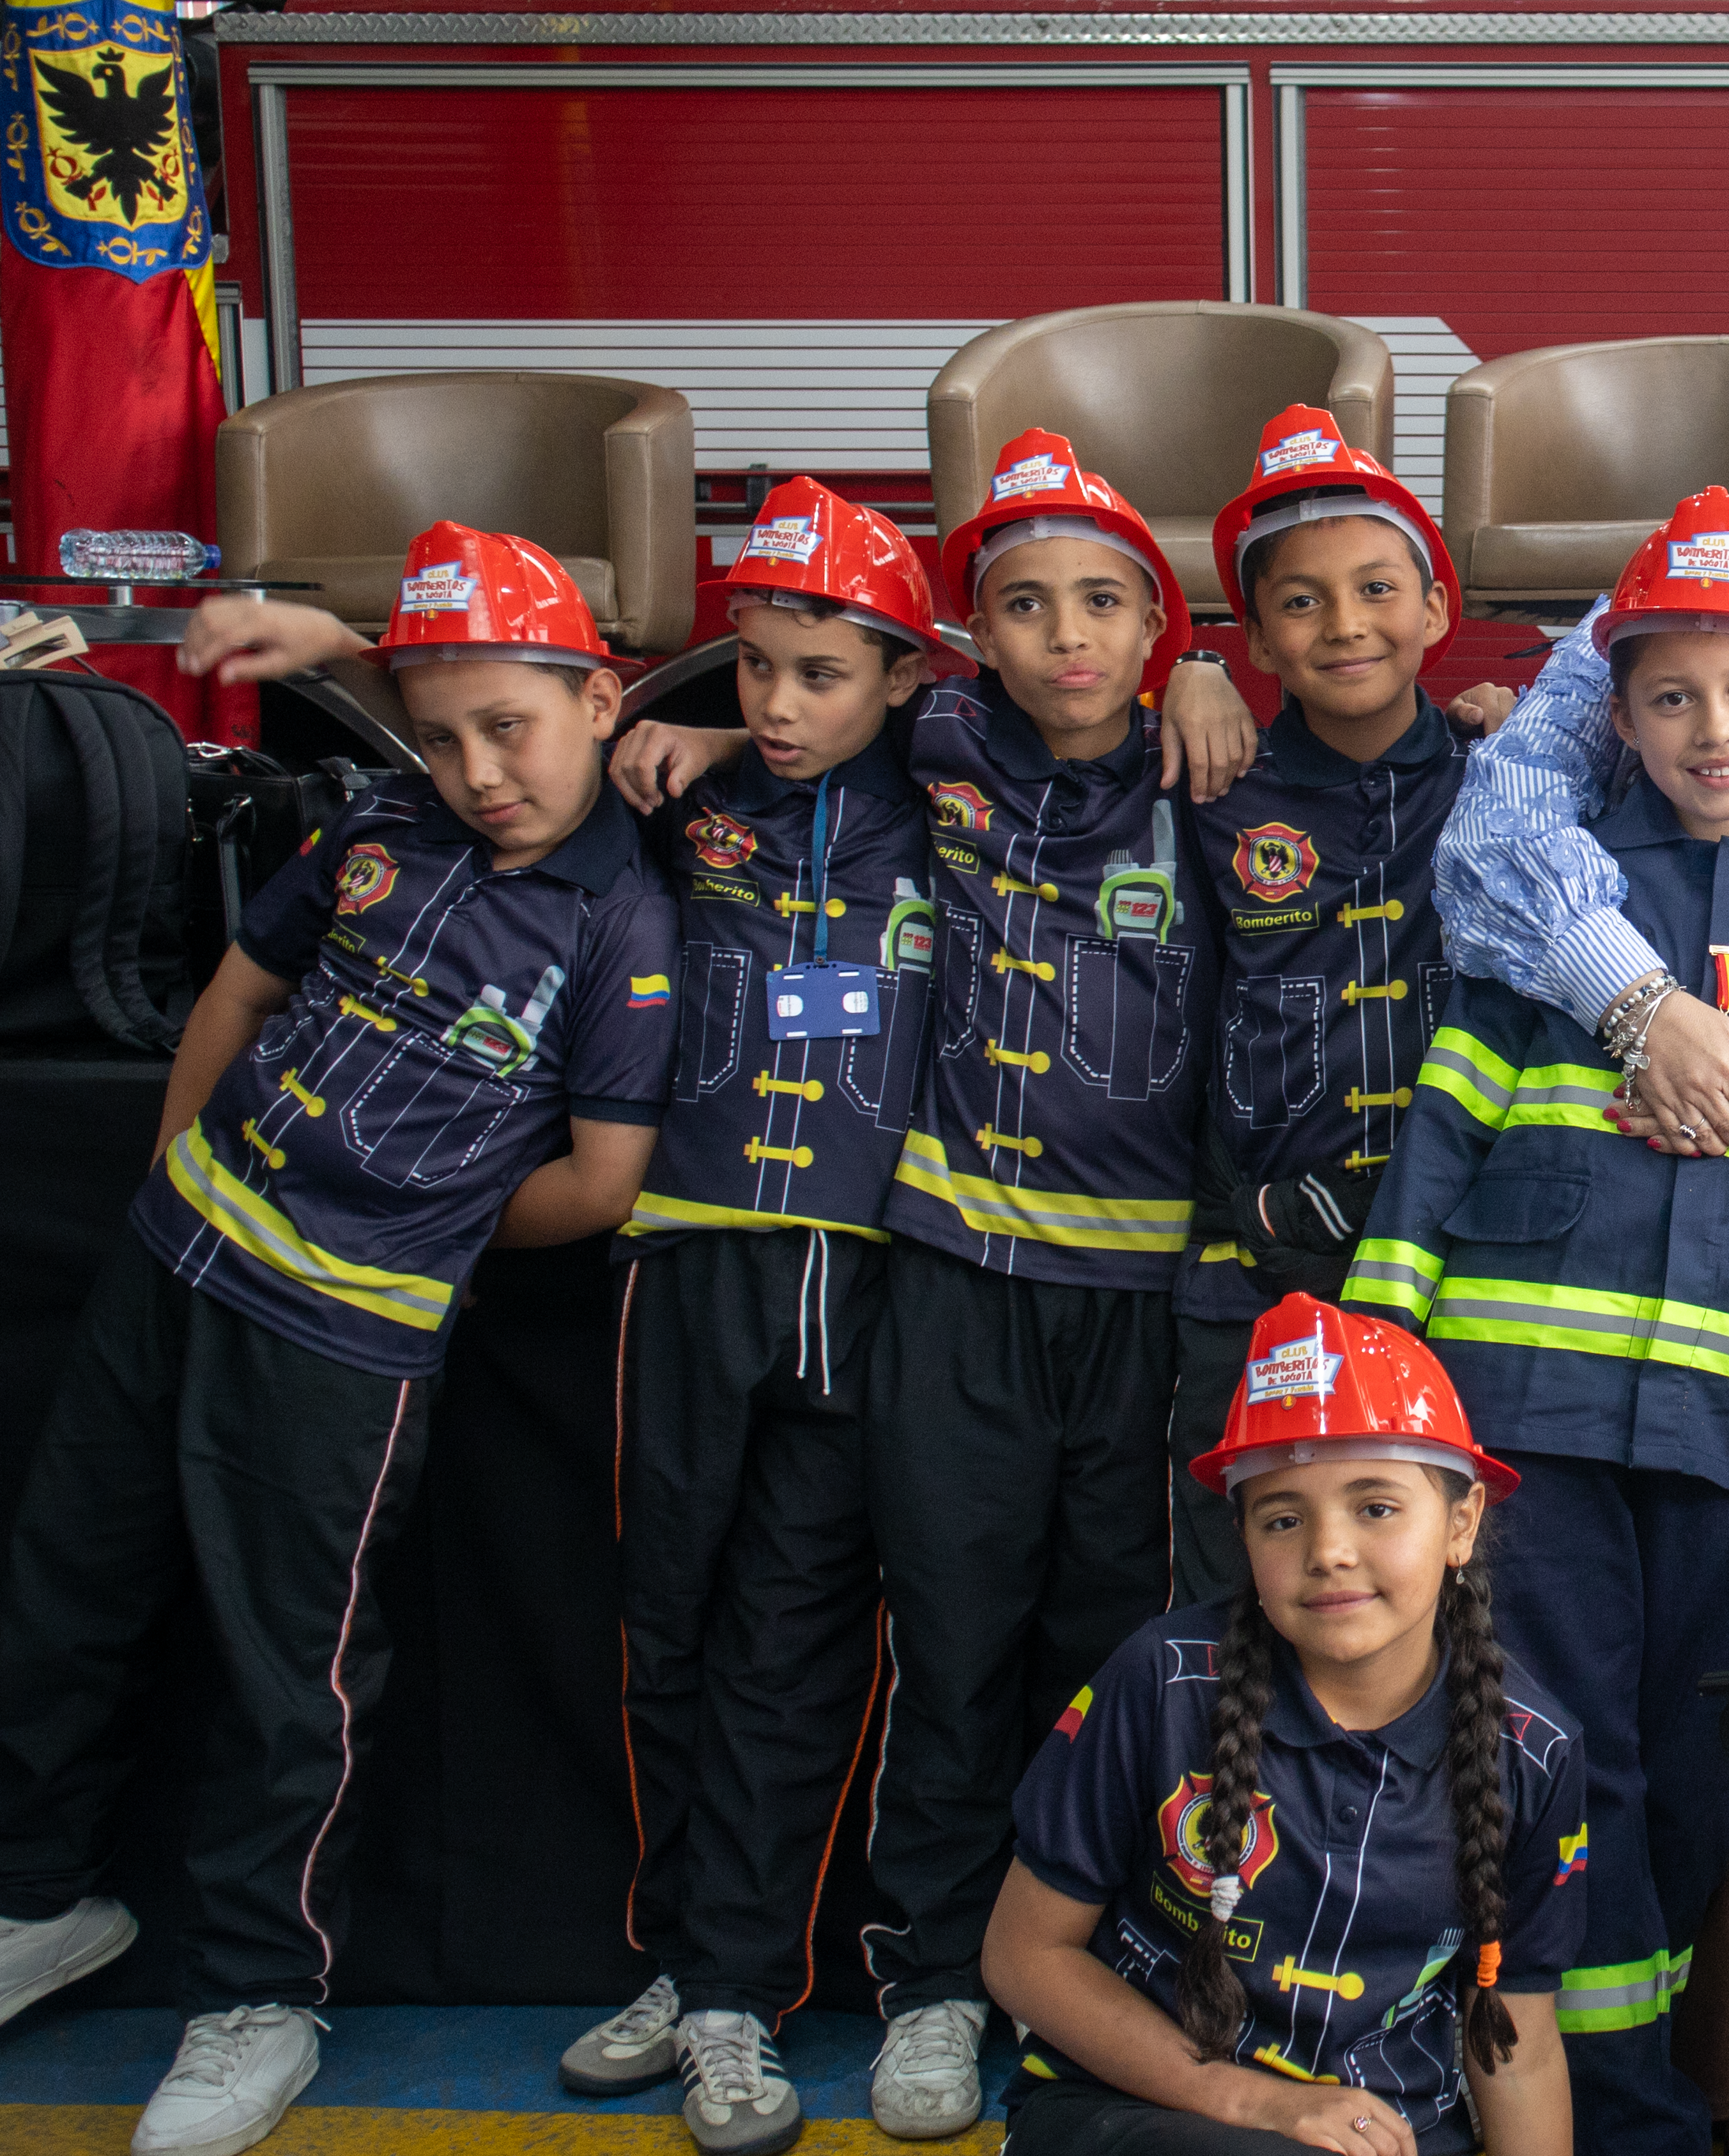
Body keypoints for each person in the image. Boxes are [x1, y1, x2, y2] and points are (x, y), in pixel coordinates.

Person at [0, 526, 677, 2156]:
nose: (477, 768)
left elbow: (598, 1180)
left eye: (509, 725)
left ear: (599, 697)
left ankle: (257, 1997)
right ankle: (35, 1895)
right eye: (441, 734)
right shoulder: (383, 828)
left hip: (347, 1327)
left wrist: (429, 1219)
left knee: (287, 1671)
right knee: (66, 1578)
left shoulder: (627, 924)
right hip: (182, 1254)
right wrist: (180, 1162)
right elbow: (238, 984)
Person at [614, 426, 1214, 2136]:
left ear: (1162, 632)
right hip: (950, 1282)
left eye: (1107, 603)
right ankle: (935, 1977)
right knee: (947, 1647)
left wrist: (1227, 685)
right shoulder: (942, 742)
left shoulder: (1207, 777)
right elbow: (816, 701)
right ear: (975, 641)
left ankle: (1107, 1971)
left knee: (1107, 1664)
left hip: (1140, 1310)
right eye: (1025, 606)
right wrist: (716, 722)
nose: (1070, 637)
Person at [1338, 490, 1729, 2152]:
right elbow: (1442, 1133)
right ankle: (1597, 2110)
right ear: (1621, 713)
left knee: (1702, 1768)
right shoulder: (1548, 900)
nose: (1712, 725)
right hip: (1533, 1425)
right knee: (1549, 1759)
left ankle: (1648, 2074)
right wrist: (1395, 1387)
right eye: (1671, 693)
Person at [553, 478, 954, 2155]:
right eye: (759, 669)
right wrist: (691, 739)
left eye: (821, 675)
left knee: (804, 1640)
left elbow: (1097, 718)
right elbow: (501, 767)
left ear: (906, 680)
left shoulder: (960, 800)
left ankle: (740, 1976)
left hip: (867, 1282)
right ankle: (682, 1955)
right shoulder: (677, 797)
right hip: (694, 1263)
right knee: (669, 1620)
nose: (779, 706)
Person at [986, 1294, 1584, 2155]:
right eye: (1283, 1517)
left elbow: (1516, 2043)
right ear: (1242, 1537)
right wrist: (1257, 2102)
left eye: (1376, 1506)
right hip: (1142, 2109)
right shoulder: (1162, 1685)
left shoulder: (1533, 1751)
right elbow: (1023, 1956)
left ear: (1461, 1522)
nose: (1329, 1548)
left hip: (1394, 2131)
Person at [1163, 407, 1473, 1600]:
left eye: (1378, 588)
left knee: (1437, 1580)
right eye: (1300, 601)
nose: (1345, 624)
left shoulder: (1503, 784)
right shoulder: (1208, 786)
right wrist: (1179, 670)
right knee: (1240, 1584)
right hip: (1249, 1276)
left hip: (1451, 1271)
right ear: (1255, 637)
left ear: (1437, 610)